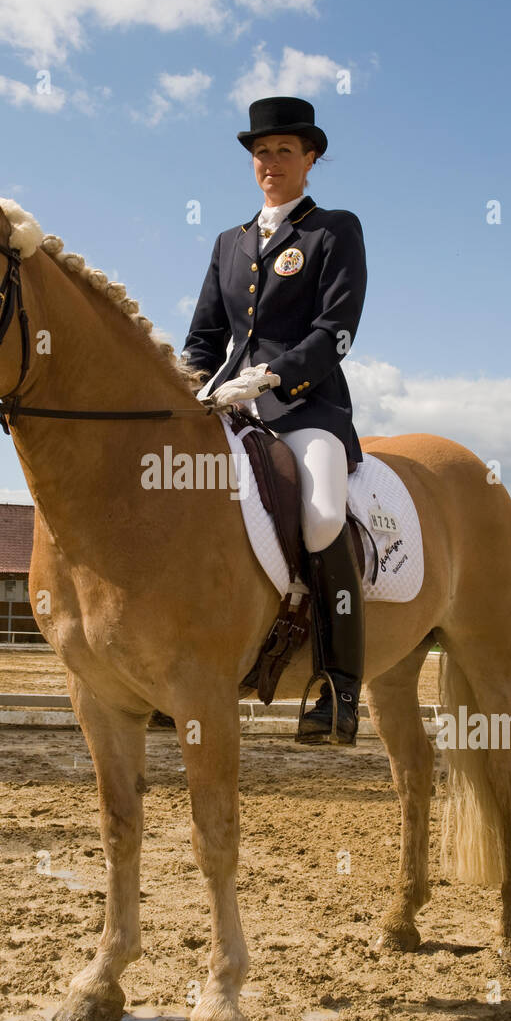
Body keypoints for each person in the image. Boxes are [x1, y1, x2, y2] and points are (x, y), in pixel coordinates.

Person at [181, 97, 367, 743]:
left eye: (285, 151)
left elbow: (337, 330)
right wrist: (188, 385)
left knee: (320, 516)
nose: (271, 163)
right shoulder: (227, 244)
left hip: (305, 408)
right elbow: (204, 338)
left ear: (310, 159)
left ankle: (340, 687)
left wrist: (275, 375)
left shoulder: (334, 231)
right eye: (261, 152)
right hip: (228, 407)